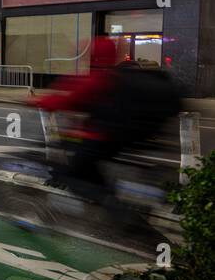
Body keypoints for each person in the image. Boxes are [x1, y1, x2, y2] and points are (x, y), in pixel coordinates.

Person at [32, 36, 180, 199]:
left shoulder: (100, 78)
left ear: (94, 55)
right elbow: (82, 95)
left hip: (103, 136)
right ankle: (103, 196)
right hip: (125, 135)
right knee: (85, 163)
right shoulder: (115, 74)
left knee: (73, 172)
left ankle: (112, 207)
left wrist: (41, 101)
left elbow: (73, 100)